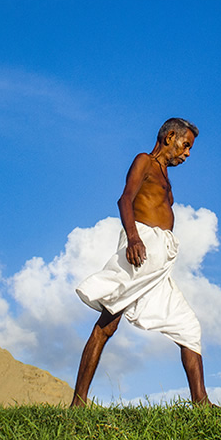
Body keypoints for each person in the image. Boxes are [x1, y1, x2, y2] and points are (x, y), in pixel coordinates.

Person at [70, 117, 210, 407]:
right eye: (185, 146)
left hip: (159, 264)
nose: (187, 154)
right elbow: (125, 200)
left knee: (188, 326)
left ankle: (201, 404)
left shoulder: (165, 175)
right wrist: (134, 239)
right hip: (140, 252)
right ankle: (78, 402)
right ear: (170, 136)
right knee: (107, 324)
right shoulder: (144, 161)